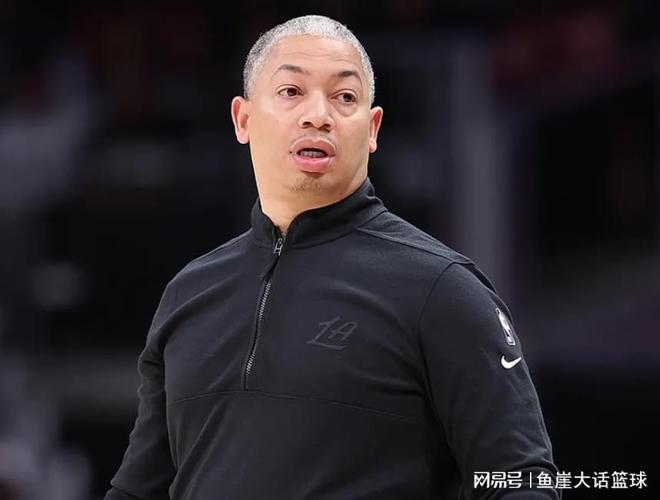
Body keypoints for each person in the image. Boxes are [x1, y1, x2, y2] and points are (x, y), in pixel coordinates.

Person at [105, 15, 560, 500]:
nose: (318, 115)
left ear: (373, 128)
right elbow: (138, 491)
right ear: (243, 119)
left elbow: (523, 479)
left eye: (344, 97)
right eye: (291, 91)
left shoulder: (442, 288)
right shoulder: (188, 294)